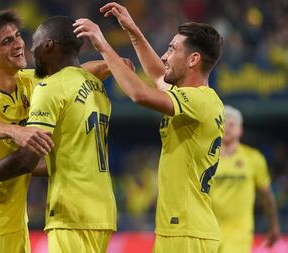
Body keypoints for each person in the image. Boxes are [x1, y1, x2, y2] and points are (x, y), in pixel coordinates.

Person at [0, 16, 123, 253]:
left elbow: (80, 72)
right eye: (6, 42)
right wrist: (14, 130)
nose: (19, 44)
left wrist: (111, 62)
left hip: (18, 225)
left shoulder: (30, 82)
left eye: (18, 36)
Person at [73, 2, 224, 253]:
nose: (165, 56)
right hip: (178, 229)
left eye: (172, 49)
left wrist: (103, 46)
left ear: (193, 59)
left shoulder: (200, 100)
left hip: (187, 232)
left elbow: (139, 93)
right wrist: (133, 30)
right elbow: (156, 76)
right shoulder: (193, 99)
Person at [211, 105, 280, 253]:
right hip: (209, 229)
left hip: (239, 231)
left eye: (232, 124)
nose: (227, 128)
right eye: (223, 124)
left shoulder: (253, 158)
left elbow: (267, 195)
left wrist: (274, 225)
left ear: (240, 130)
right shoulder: (206, 159)